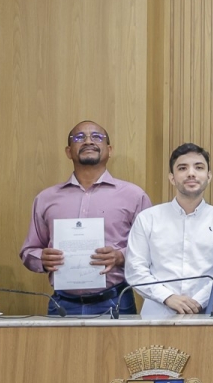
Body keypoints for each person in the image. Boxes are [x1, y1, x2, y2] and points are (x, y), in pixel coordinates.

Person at [21, 120, 152, 316]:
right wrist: (42, 258)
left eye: (97, 137)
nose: (88, 141)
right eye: (79, 137)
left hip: (115, 301)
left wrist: (120, 256)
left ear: (109, 149)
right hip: (62, 304)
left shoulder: (134, 196)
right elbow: (28, 251)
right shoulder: (46, 198)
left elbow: (151, 248)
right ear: (68, 151)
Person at [124, 143, 213, 317]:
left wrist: (198, 302)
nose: (191, 173)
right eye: (182, 168)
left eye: (198, 167)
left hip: (207, 313)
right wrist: (168, 297)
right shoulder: (148, 219)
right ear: (172, 178)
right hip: (157, 314)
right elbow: (135, 269)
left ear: (209, 176)